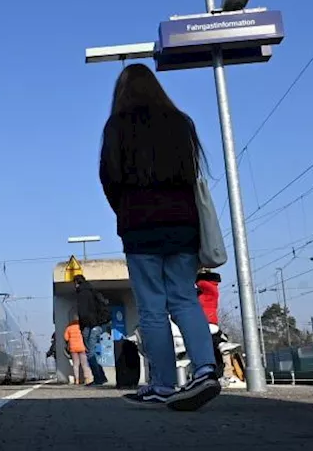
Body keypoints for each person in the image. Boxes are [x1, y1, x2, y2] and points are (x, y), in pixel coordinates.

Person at [99, 62, 222, 411]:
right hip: (183, 225)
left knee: (152, 307)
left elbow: (109, 177)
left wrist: (125, 210)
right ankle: (205, 370)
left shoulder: (117, 126)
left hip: (140, 227)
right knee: (184, 298)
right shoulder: (181, 123)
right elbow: (191, 175)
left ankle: (163, 385)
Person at [72, 274, 110, 386]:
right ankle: (101, 377)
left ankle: (98, 379)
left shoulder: (82, 293)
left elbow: (83, 313)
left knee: (90, 353)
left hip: (90, 326)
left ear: (76, 283)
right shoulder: (92, 290)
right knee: (91, 352)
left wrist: (83, 326)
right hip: (98, 325)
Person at [64, 311, 89, 385]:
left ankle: (77, 380)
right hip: (82, 347)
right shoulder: (82, 326)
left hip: (73, 348)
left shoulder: (69, 327)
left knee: (75, 364)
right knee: (84, 364)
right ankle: (86, 379)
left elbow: (66, 338)